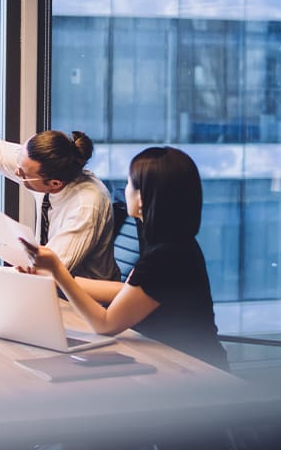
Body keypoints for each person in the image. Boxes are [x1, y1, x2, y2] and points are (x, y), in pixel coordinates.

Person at [20, 146, 228, 371]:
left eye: (129, 184)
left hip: (192, 370)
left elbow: (105, 324)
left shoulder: (164, 257)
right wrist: (55, 277)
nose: (124, 190)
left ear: (142, 198)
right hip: (179, 360)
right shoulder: (175, 243)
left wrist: (58, 271)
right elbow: (128, 291)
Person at [0, 130, 119, 288]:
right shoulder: (35, 164)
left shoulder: (85, 205)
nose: (17, 173)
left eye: (23, 174)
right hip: (46, 291)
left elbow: (47, 273)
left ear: (54, 184)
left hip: (84, 305)